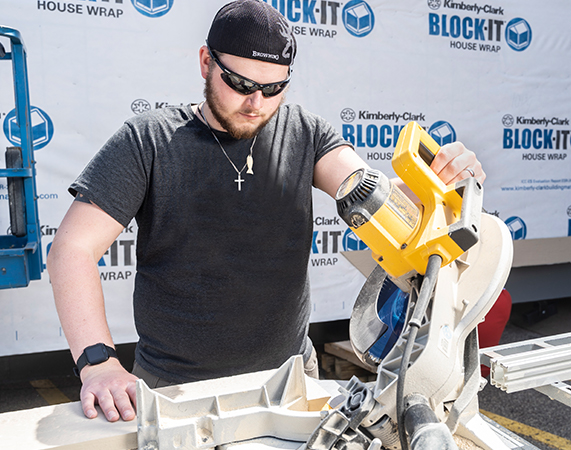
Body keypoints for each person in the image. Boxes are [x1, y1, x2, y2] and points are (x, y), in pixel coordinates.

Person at [47, 0, 485, 424]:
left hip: (290, 381)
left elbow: (370, 194)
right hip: (173, 388)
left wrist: (439, 181)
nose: (256, 102)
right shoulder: (150, 140)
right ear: (205, 62)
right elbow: (73, 248)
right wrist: (98, 363)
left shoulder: (306, 133)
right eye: (240, 84)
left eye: (273, 88)